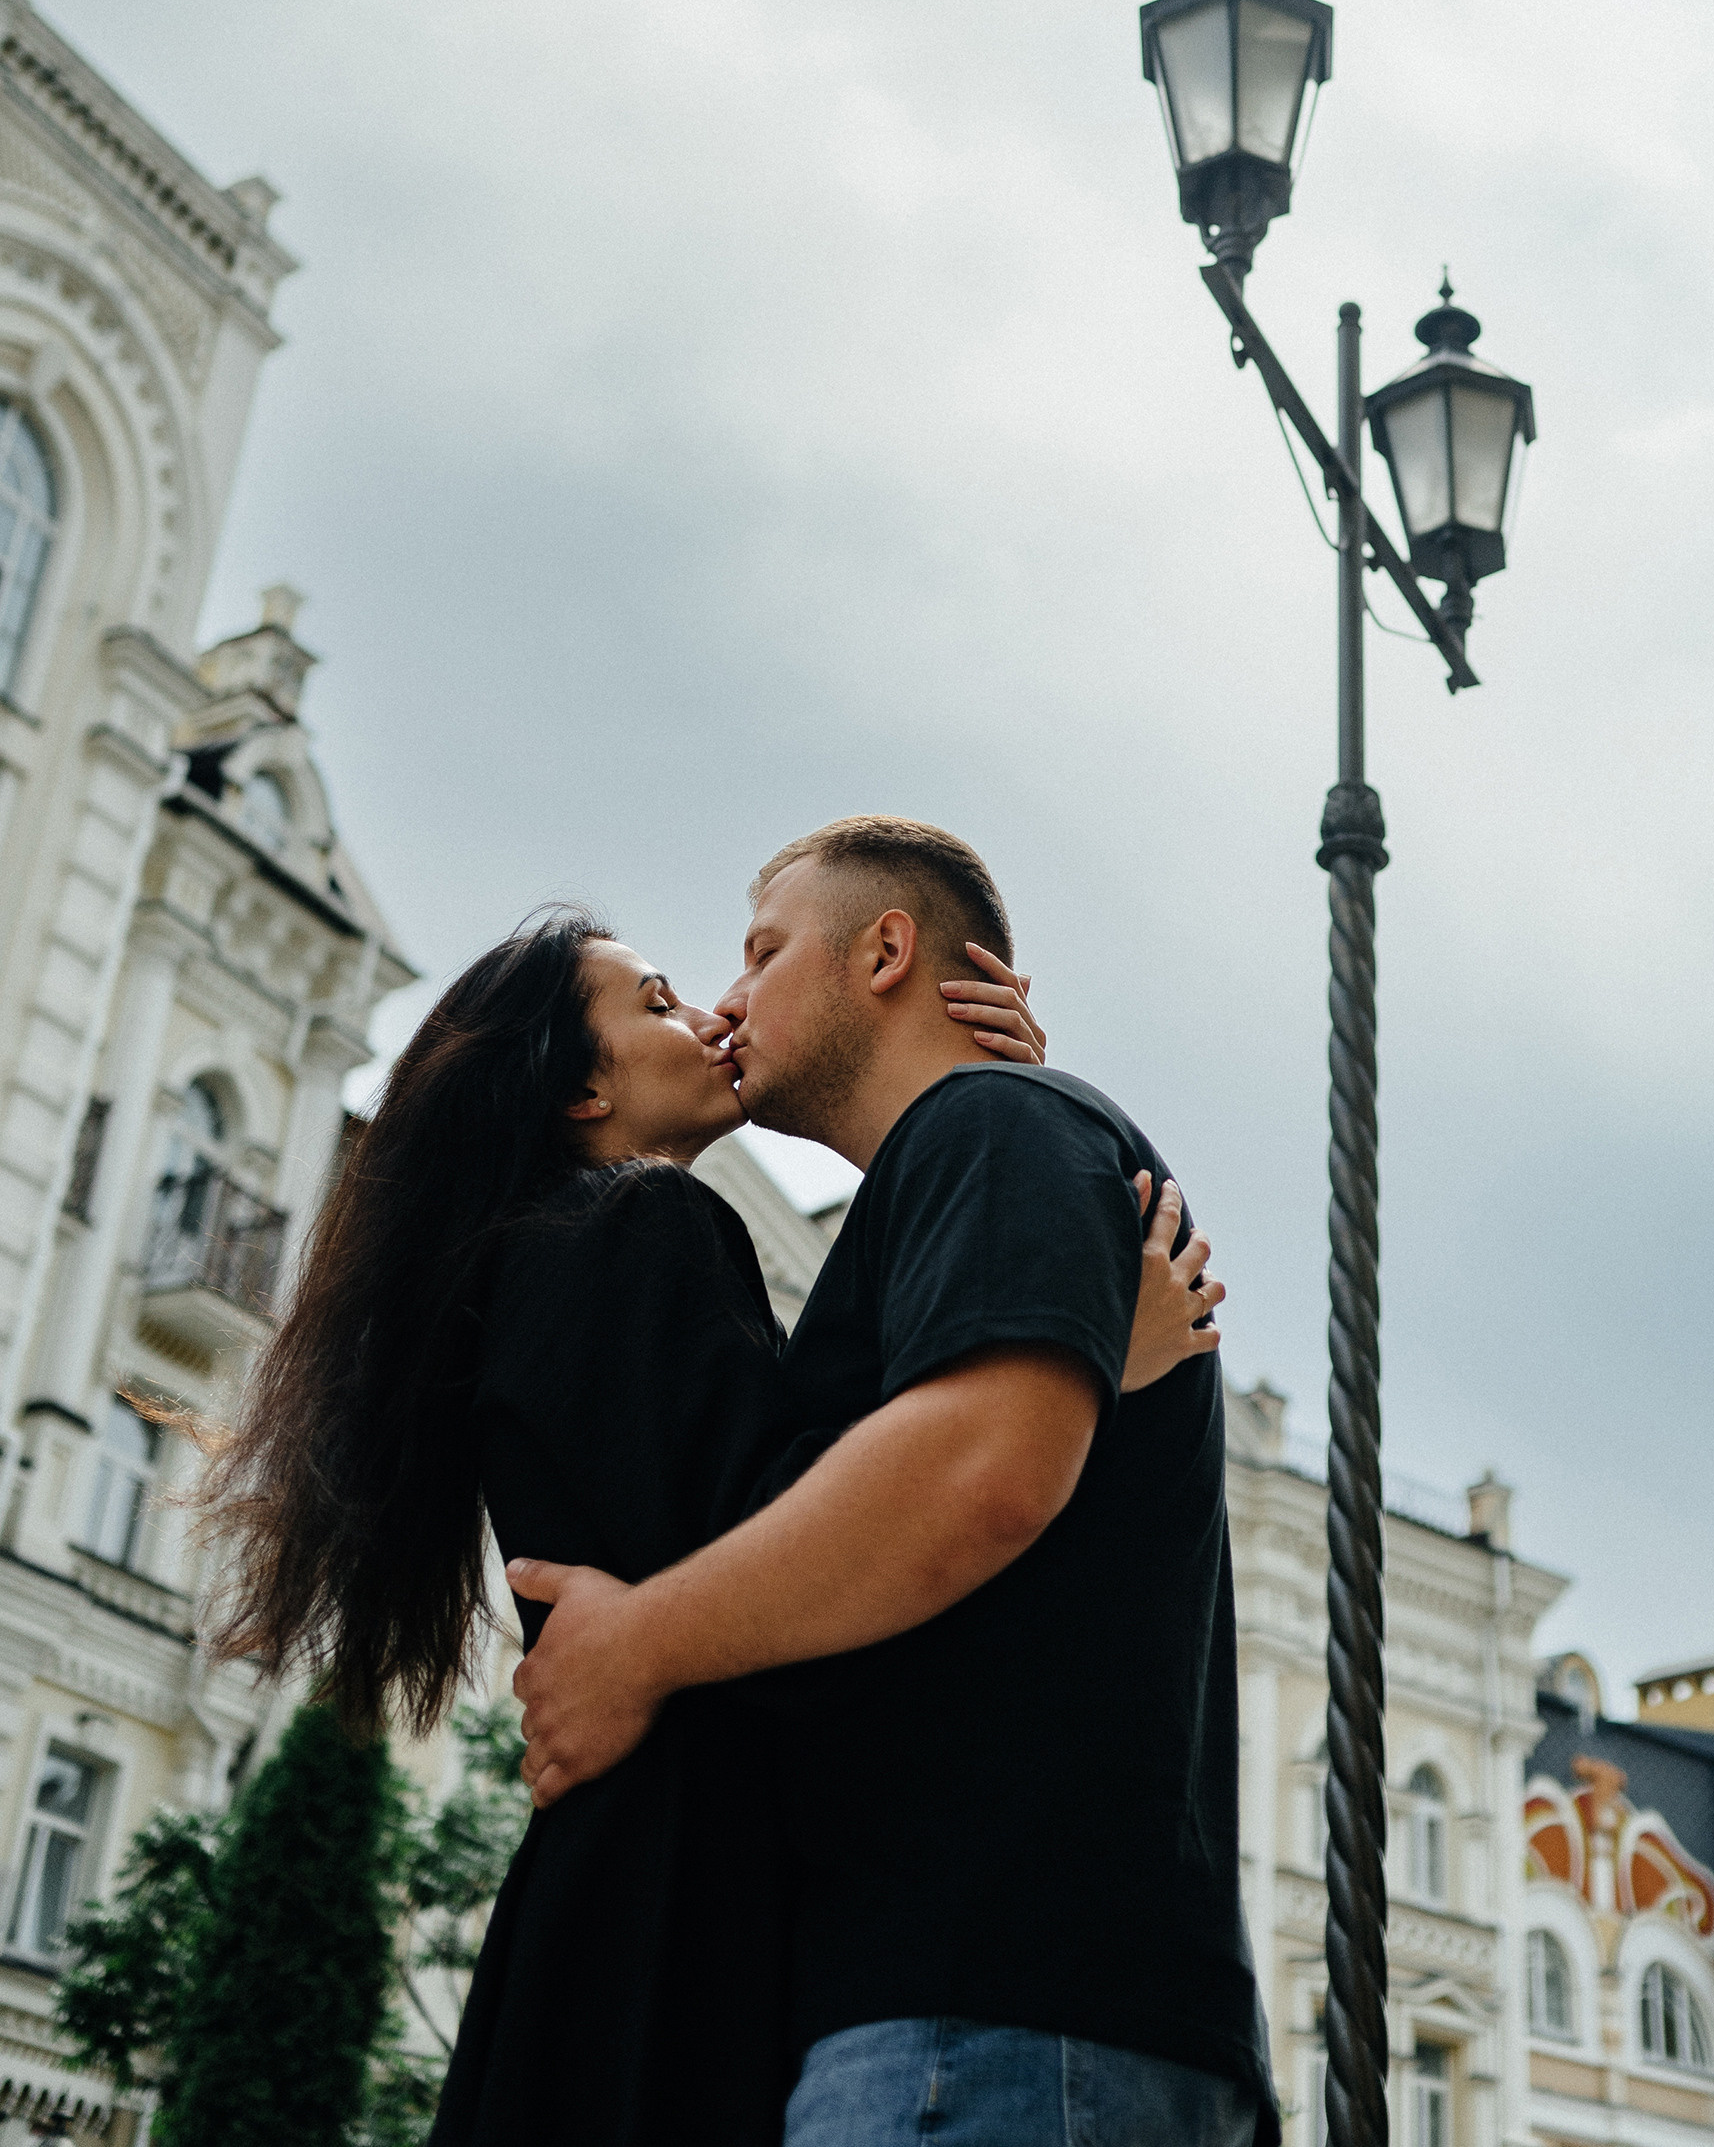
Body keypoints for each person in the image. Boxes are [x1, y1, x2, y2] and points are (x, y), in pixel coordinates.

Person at [198, 900, 1221, 2147]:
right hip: (691, 1893)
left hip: (635, 1879)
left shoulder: (553, 1259)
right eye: (662, 999)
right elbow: (805, 1532)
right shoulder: (643, 1224)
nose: (715, 1012)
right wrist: (1076, 1361)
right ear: (579, 1089)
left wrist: (973, 1154)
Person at [509, 814, 1276, 2147]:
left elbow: (976, 1476)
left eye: (759, 951)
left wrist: (635, 1641)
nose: (728, 994)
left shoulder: (996, 1123)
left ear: (884, 949)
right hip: (997, 2014)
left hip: (994, 2015)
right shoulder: (974, 1160)